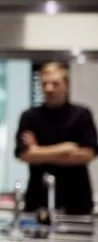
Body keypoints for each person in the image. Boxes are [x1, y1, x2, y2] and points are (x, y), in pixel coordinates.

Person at [15, 62, 97, 216]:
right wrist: (66, 148)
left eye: (55, 84)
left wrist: (39, 152)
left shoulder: (81, 115)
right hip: (38, 200)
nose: (49, 89)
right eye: (44, 84)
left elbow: (87, 155)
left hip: (77, 201)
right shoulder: (29, 117)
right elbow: (24, 155)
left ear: (67, 86)